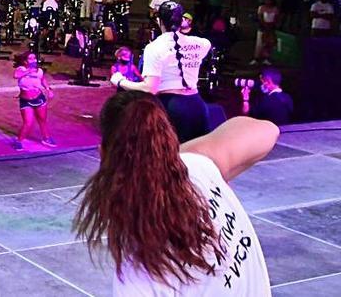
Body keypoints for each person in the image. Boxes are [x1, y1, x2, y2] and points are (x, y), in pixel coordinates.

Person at [73, 91, 276, 295]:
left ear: (103, 154)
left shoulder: (139, 278)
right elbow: (267, 130)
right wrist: (167, 160)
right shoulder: (199, 165)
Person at [113, 1, 213, 143]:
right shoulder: (201, 43)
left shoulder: (154, 48)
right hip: (197, 106)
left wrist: (120, 81)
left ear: (159, 21)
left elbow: (150, 88)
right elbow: (206, 45)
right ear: (181, 21)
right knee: (196, 157)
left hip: (171, 107)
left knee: (167, 159)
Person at [13, 52, 56, 148]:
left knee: (42, 120)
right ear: (25, 61)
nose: (34, 60)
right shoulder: (21, 69)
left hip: (39, 99)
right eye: (30, 58)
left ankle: (46, 138)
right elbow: (16, 75)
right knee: (28, 122)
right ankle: (19, 140)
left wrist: (48, 89)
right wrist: (29, 71)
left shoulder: (39, 71)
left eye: (34, 58)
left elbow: (43, 80)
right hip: (26, 101)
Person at [252, 0, 279, 65]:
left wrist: (271, 27)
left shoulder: (275, 9)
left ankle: (266, 59)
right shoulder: (261, 8)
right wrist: (265, 26)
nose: (267, 1)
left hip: (271, 28)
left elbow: (276, 19)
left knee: (268, 43)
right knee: (259, 43)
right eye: (266, 0)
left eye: (269, 0)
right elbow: (260, 18)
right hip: (262, 28)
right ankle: (256, 59)